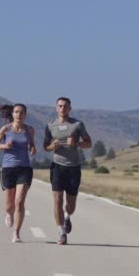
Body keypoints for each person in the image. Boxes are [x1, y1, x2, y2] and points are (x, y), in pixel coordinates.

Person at [43, 97, 92, 245]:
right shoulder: (50, 126)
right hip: (57, 166)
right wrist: (53, 146)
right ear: (56, 108)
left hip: (74, 167)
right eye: (60, 106)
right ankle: (61, 233)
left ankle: (67, 216)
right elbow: (45, 147)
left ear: (70, 108)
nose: (62, 108)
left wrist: (76, 143)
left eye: (65, 106)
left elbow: (89, 143)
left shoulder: (77, 124)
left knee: (70, 206)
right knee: (57, 200)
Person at [0, 103, 36, 243]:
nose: (19, 115)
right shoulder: (6, 129)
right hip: (8, 169)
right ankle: (9, 213)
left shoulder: (29, 130)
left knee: (19, 201)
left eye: (22, 112)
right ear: (12, 114)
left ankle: (16, 233)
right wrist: (5, 146)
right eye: (16, 112)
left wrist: (33, 149)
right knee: (9, 205)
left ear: (25, 115)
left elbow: (32, 146)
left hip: (24, 168)